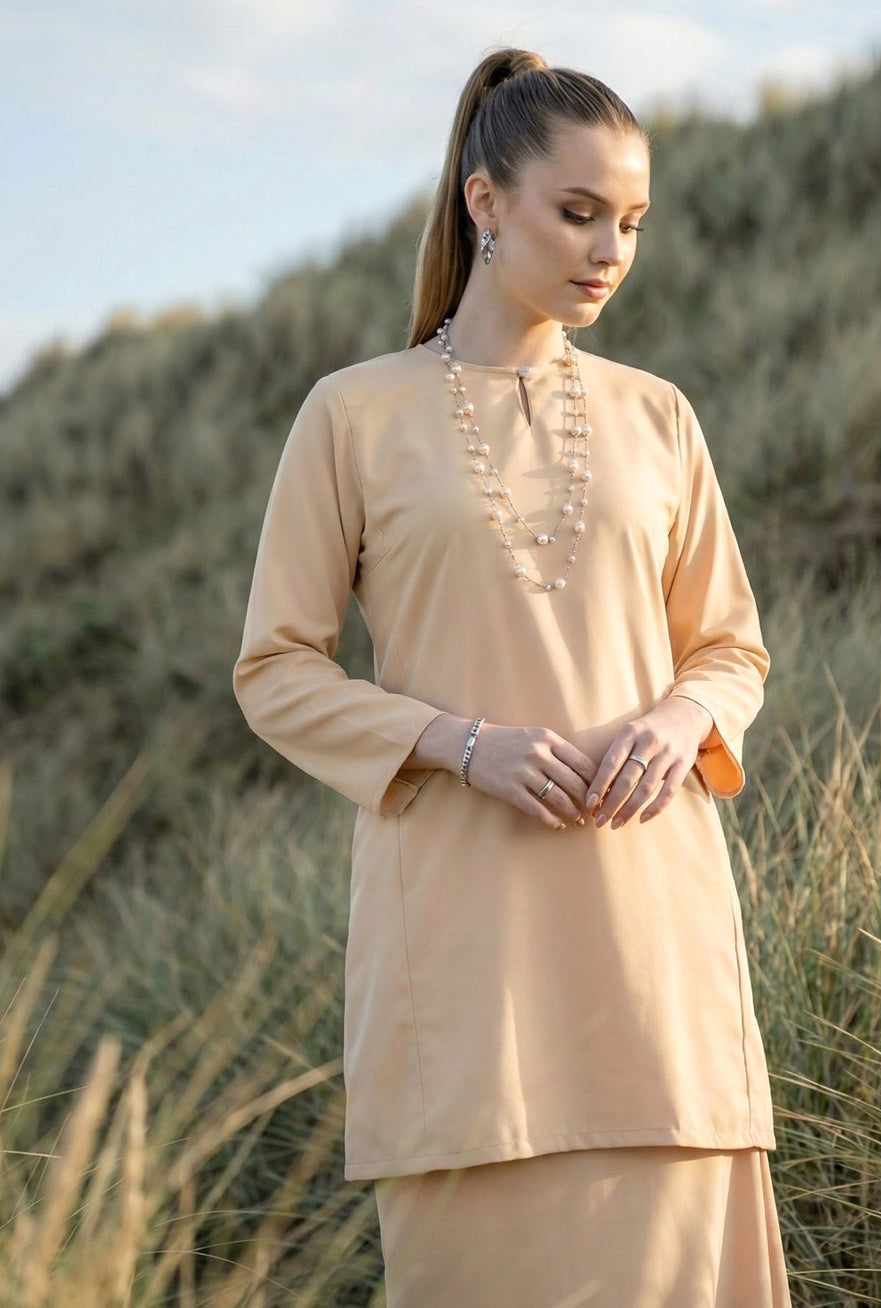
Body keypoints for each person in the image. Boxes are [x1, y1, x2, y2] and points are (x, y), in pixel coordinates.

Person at [233, 47, 791, 1308]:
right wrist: (458, 742)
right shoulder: (353, 415)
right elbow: (274, 669)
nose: (610, 251)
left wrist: (683, 717)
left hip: (654, 940)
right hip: (463, 947)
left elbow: (731, 646)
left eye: (632, 222)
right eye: (579, 212)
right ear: (486, 201)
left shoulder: (659, 415)